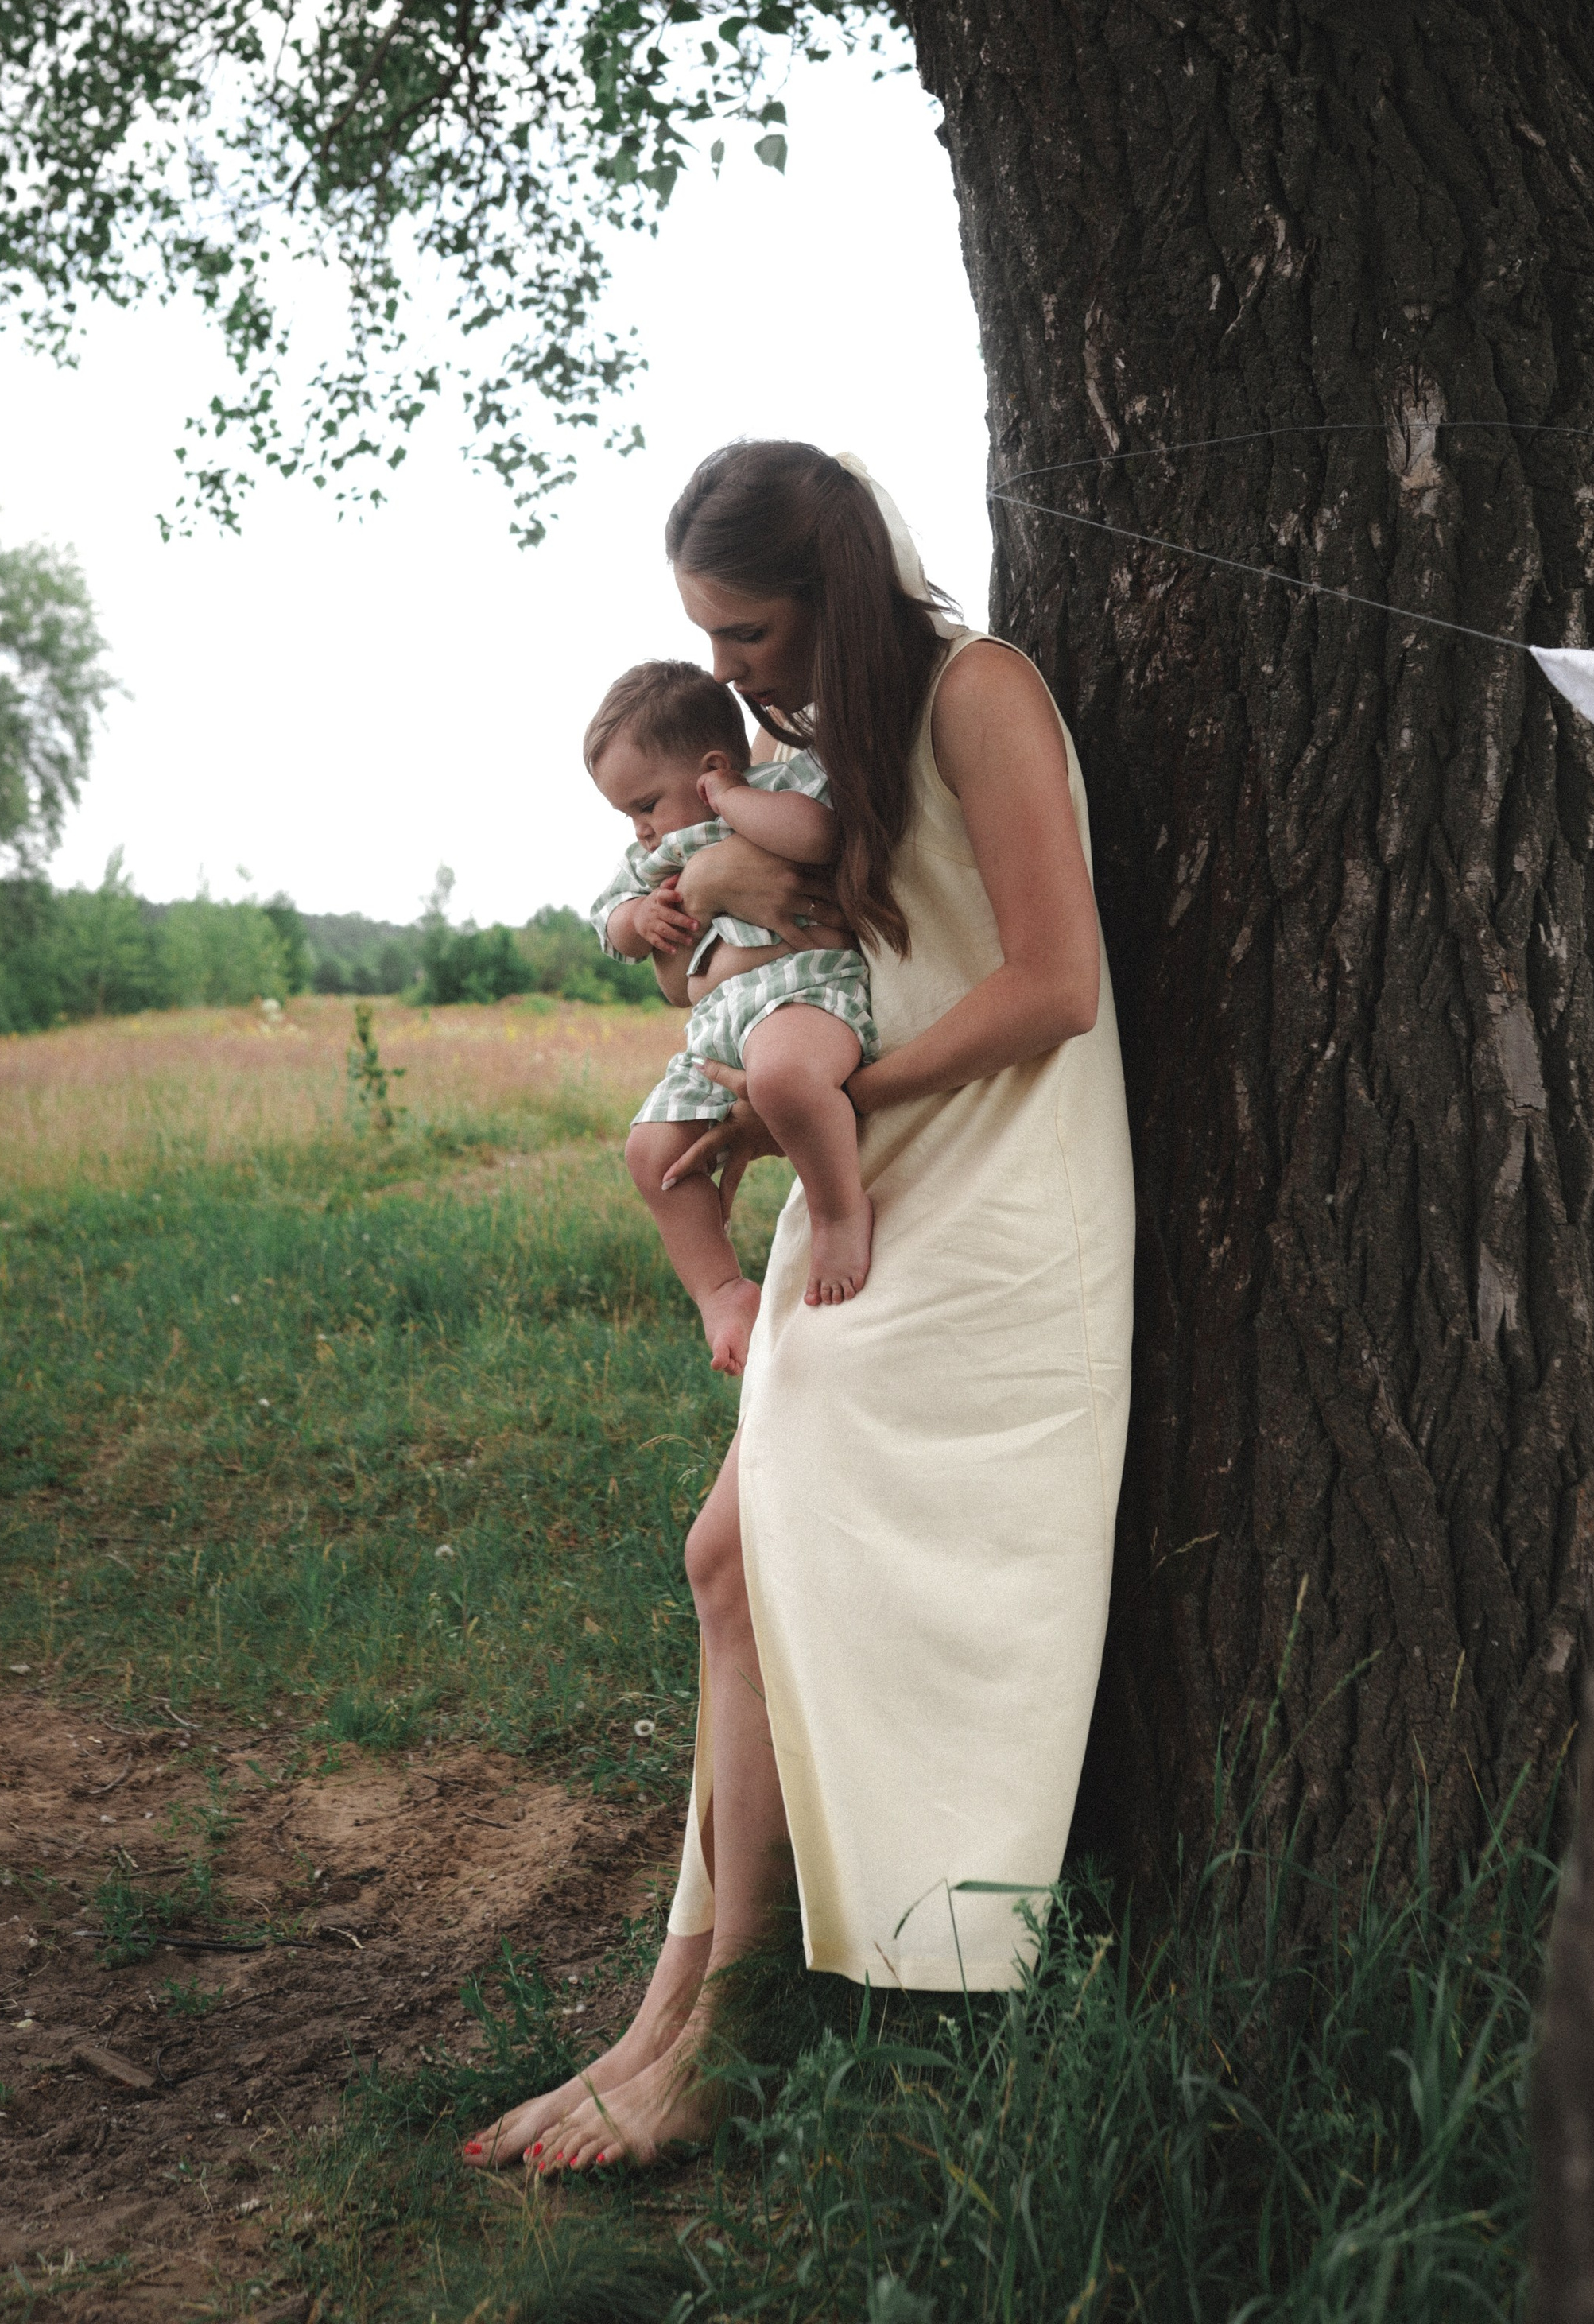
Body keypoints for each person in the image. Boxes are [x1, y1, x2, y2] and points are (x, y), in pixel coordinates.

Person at [464, 441, 1134, 2175]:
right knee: (726, 1561)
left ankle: (727, 2022)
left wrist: (822, 1108)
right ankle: (673, 2011)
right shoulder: (802, 754)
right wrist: (710, 922)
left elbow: (1054, 984)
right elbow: (808, 946)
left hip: (995, 1190)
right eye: (709, 636)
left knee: (750, 1560)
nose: (729, 669)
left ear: (831, 588)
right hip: (879, 1181)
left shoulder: (977, 693)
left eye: (748, 632)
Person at [583, 657, 880, 1357]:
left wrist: (729, 798)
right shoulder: (650, 861)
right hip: (716, 1028)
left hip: (803, 992)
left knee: (783, 1079)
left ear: (712, 768)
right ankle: (721, 1290)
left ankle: (839, 1215)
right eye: (627, 816)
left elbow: (819, 838)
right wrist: (638, 919)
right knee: (650, 1151)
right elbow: (609, 924)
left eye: (646, 805)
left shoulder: (778, 788)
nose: (641, 830)